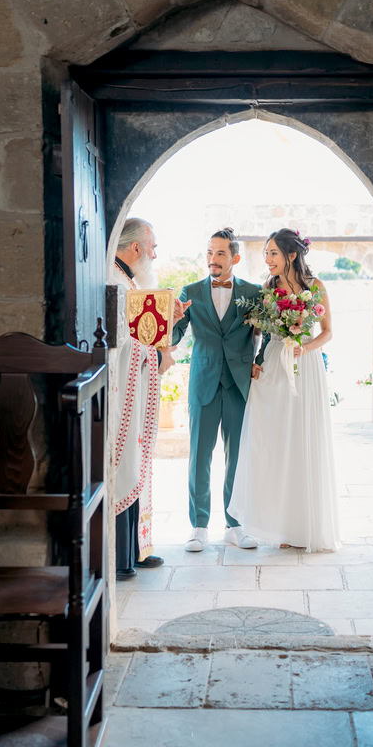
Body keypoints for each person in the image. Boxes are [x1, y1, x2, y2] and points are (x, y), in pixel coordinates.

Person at [228, 228, 341, 552]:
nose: (268, 259)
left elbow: (328, 332)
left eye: (273, 253)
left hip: (305, 365)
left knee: (304, 437)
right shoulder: (269, 287)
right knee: (274, 440)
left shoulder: (316, 287)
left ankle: (303, 528)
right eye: (266, 253)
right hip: (276, 364)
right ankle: (278, 523)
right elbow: (260, 334)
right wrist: (255, 361)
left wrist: (305, 348)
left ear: (291, 255)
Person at [172, 228, 262, 552]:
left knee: (237, 456)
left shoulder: (253, 292)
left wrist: (260, 361)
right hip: (204, 382)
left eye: (221, 253)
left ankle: (235, 524)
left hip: (239, 384)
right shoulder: (190, 291)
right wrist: (171, 320)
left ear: (235, 258)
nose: (213, 259)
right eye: (210, 252)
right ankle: (198, 525)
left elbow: (265, 332)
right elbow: (175, 336)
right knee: (199, 456)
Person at [109, 217, 186, 580]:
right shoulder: (116, 283)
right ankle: (122, 556)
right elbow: (122, 346)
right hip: (122, 396)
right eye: (152, 247)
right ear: (136, 248)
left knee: (136, 462)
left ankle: (135, 550)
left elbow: (141, 333)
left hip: (133, 393)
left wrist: (167, 324)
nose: (155, 254)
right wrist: (155, 356)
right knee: (127, 462)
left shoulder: (126, 281)